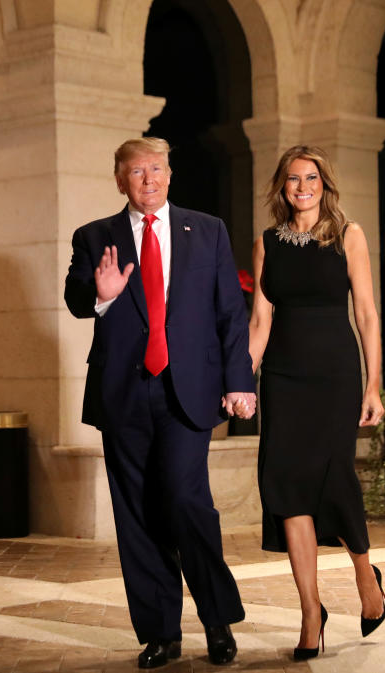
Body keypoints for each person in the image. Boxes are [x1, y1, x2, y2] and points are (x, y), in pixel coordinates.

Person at [64, 137, 257, 669]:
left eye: (155, 169)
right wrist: (100, 295)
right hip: (122, 393)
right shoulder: (94, 236)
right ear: (119, 179)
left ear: (169, 175)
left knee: (184, 500)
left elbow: (229, 314)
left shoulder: (208, 231)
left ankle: (217, 622)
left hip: (187, 391)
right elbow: (76, 299)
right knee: (136, 514)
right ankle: (160, 633)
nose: (147, 179)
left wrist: (240, 380)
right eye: (135, 172)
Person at [248, 145, 385, 660]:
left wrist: (373, 385)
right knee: (284, 485)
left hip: (334, 377)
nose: (302, 187)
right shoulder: (267, 244)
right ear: (281, 187)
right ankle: (311, 610)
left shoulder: (348, 236)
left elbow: (368, 314)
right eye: (292, 179)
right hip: (283, 378)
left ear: (324, 184)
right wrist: (244, 380)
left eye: (311, 178)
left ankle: (363, 572)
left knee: (335, 479)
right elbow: (260, 322)